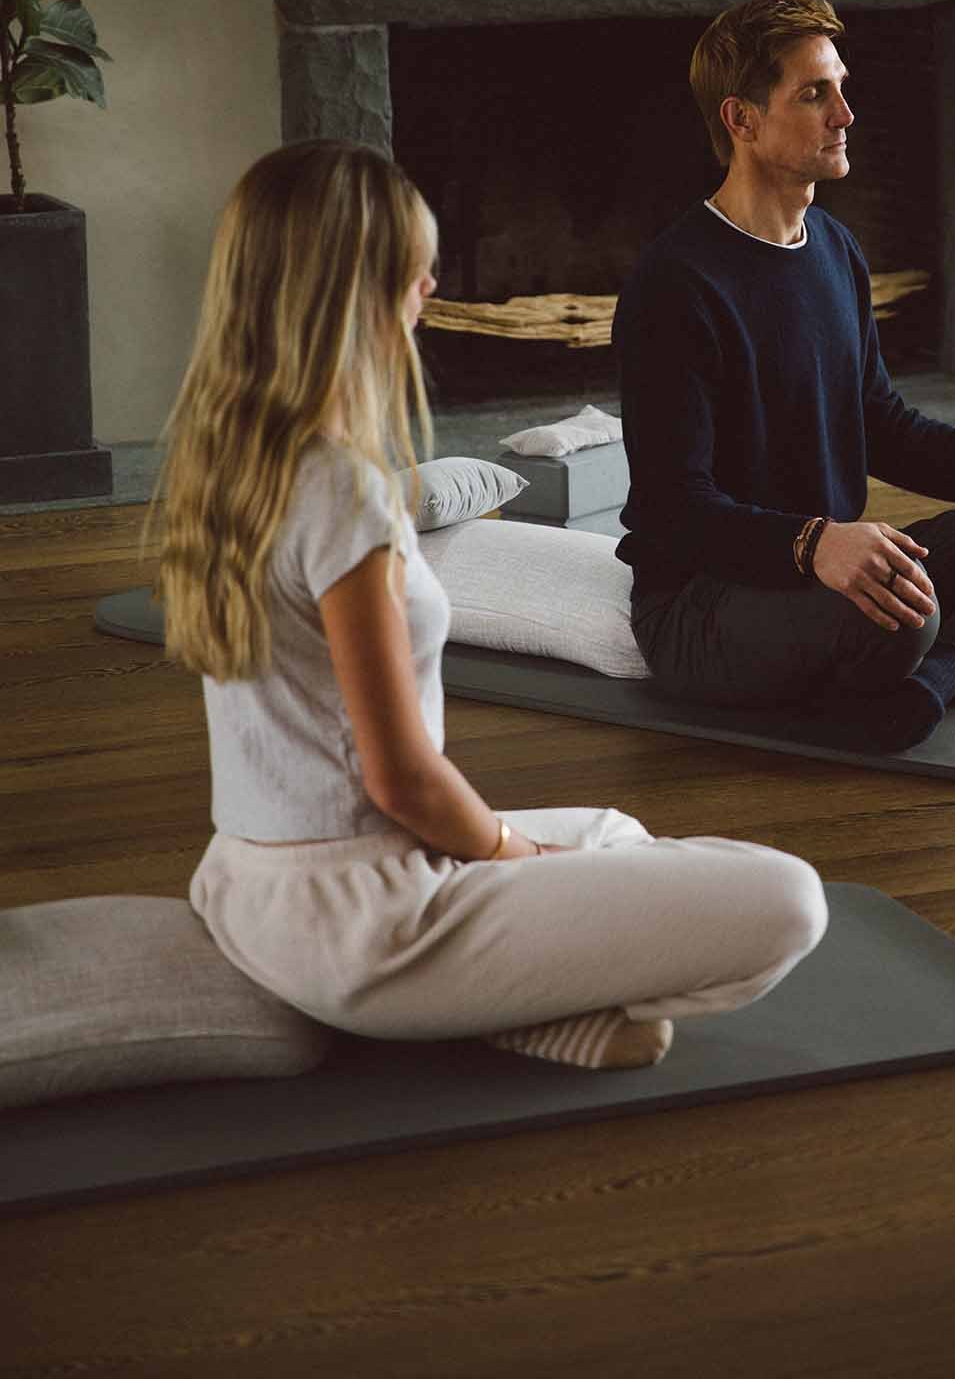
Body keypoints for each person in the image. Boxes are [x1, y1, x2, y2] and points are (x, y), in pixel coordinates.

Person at [157, 140, 825, 1071]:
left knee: (614, 835)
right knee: (790, 897)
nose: (430, 284)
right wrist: (513, 859)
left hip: (245, 886)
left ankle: (510, 1003)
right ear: (350, 289)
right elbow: (403, 782)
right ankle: (457, 1000)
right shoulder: (342, 493)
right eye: (412, 267)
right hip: (370, 922)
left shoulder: (231, 464)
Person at [614, 0, 955, 754]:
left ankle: (938, 683)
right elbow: (674, 509)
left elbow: (886, 429)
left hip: (835, 567)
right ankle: (923, 657)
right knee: (905, 610)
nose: (845, 114)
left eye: (841, 88)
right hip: (706, 608)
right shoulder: (676, 282)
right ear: (742, 120)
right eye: (814, 93)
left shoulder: (833, 247)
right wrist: (814, 544)